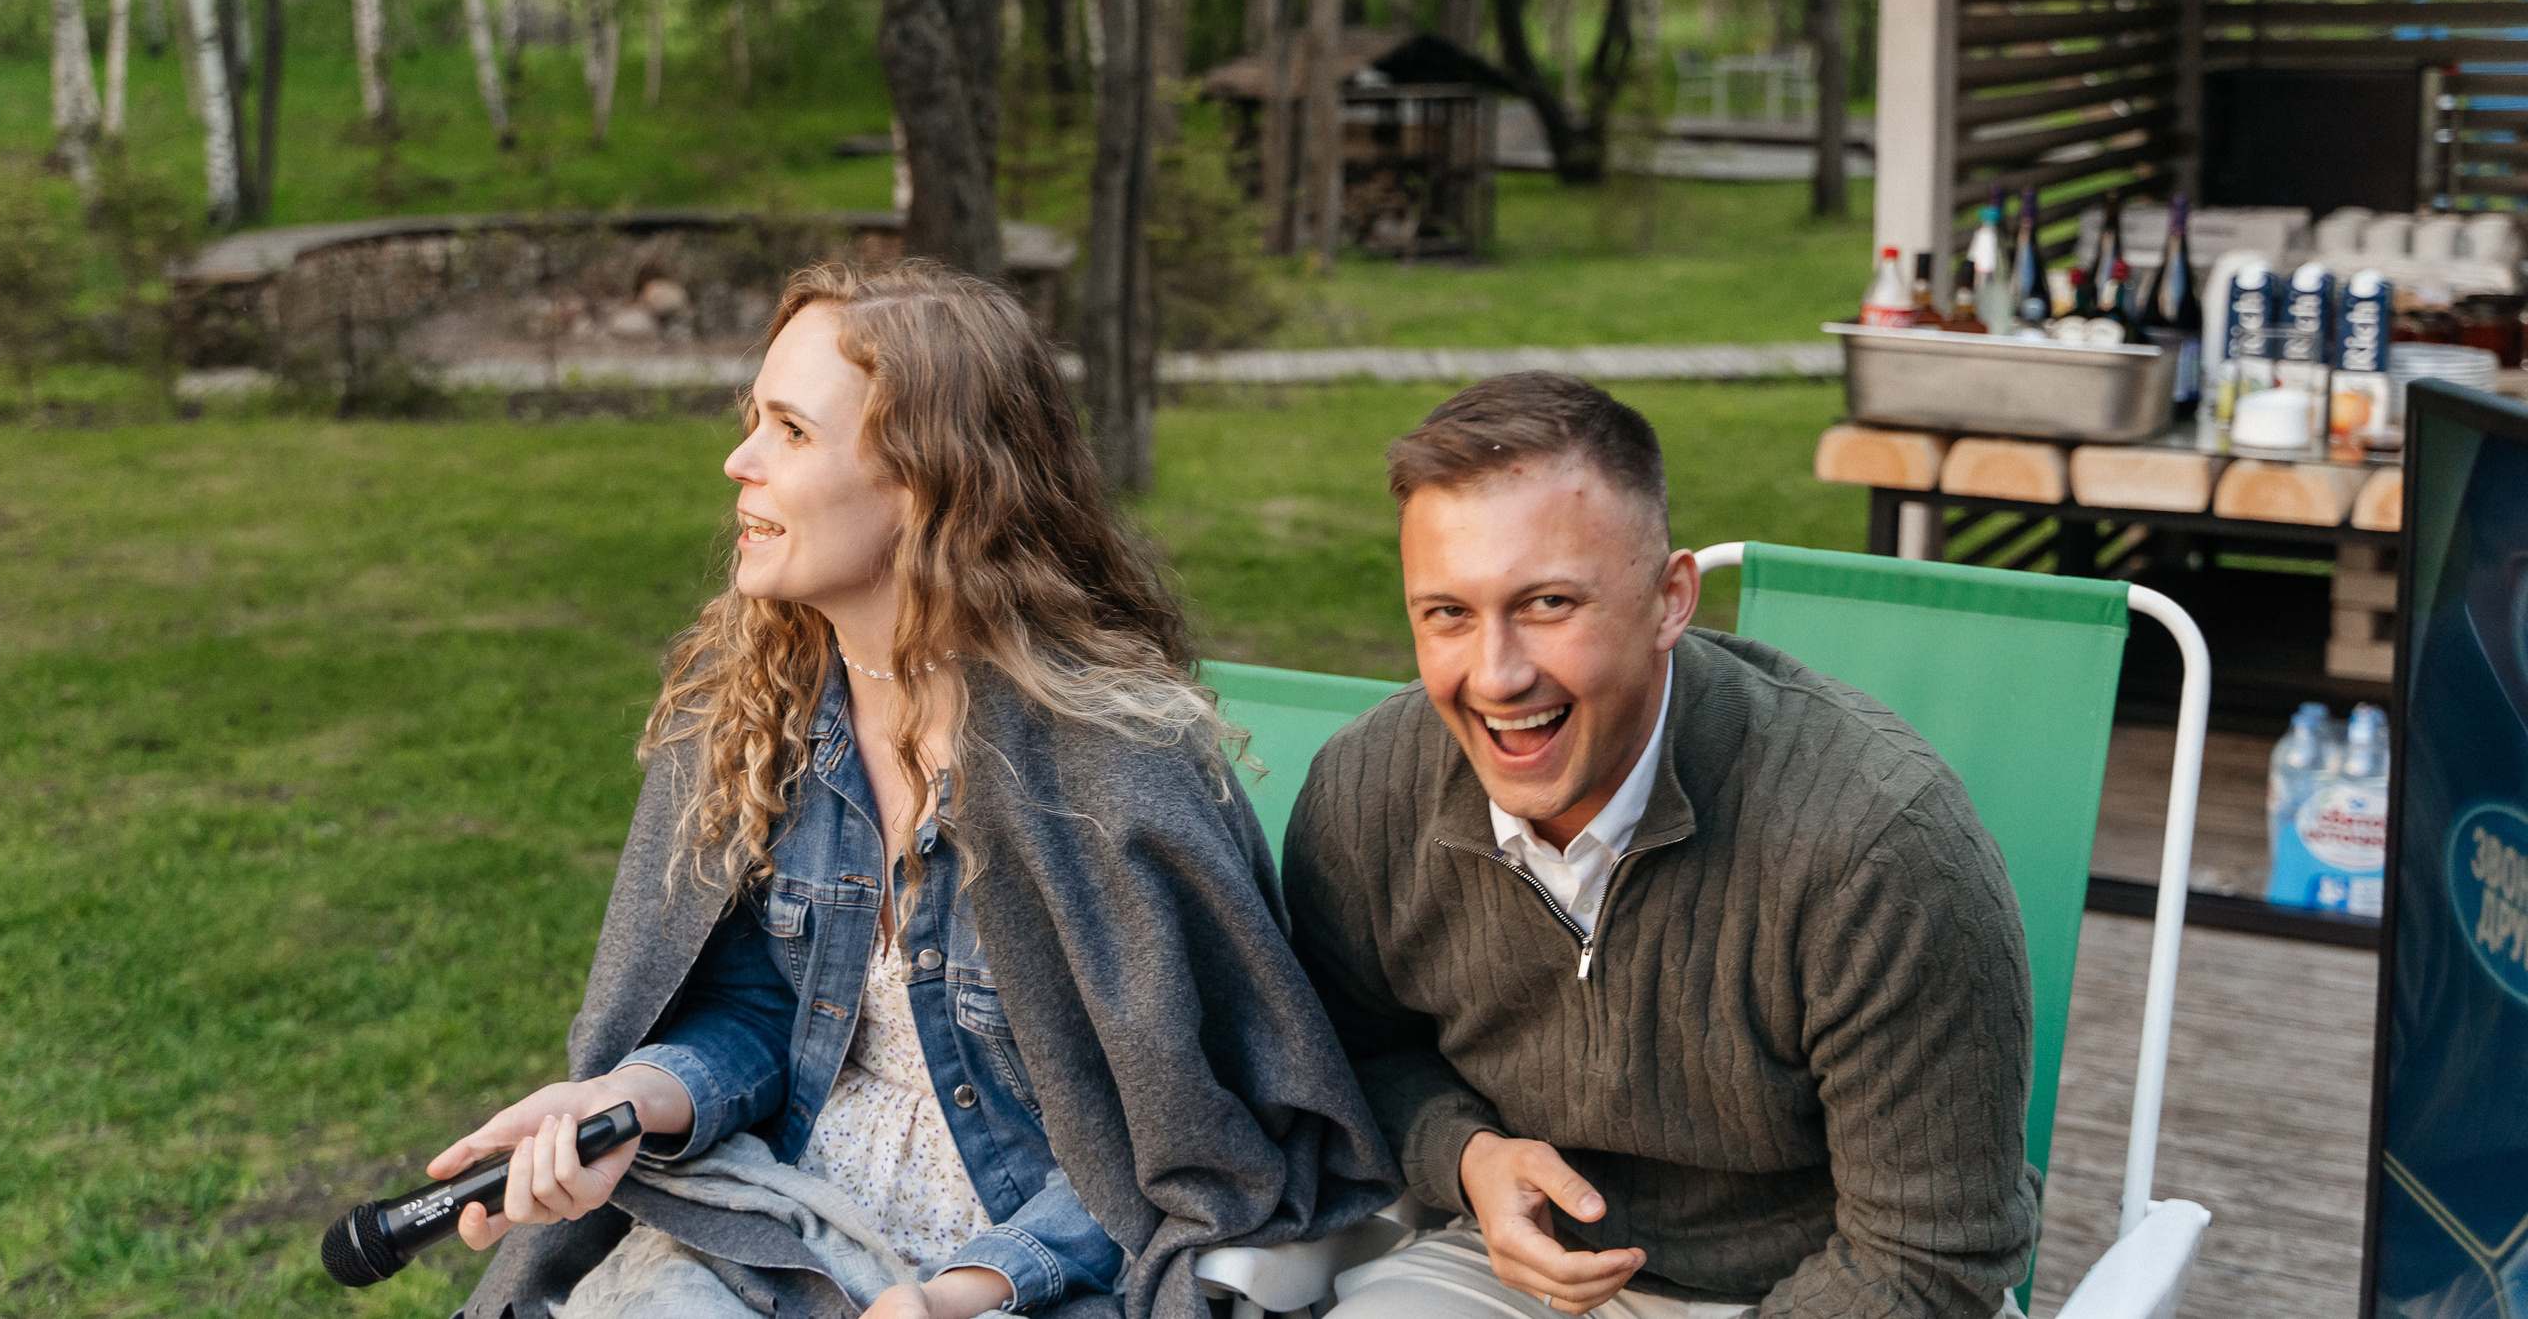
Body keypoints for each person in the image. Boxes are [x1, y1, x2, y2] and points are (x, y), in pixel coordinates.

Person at [442, 261, 1399, 1319]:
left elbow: (1187, 1147)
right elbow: (770, 1009)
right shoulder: (763, 720)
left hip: (1040, 1272)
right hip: (781, 1231)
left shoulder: (1115, 775)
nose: (737, 460)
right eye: (752, 420)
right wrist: (630, 1103)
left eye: (791, 432)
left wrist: (966, 1292)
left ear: (928, 482)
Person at [1283, 373, 2040, 1319]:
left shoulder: (1882, 848)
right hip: (1504, 1267)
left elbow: (1934, 1256)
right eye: (1448, 613)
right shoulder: (1364, 795)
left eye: (1550, 602)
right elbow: (1344, 1053)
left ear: (1671, 599)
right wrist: (1465, 1154)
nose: (1497, 673)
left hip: (1835, 1286)